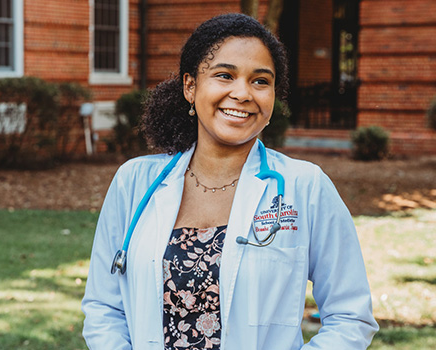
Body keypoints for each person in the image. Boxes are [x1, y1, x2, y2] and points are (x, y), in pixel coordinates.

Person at [82, 13, 378, 350]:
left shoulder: (305, 187)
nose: (242, 93)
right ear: (190, 87)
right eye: (225, 75)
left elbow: (350, 316)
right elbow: (104, 308)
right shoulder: (133, 183)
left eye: (260, 81)